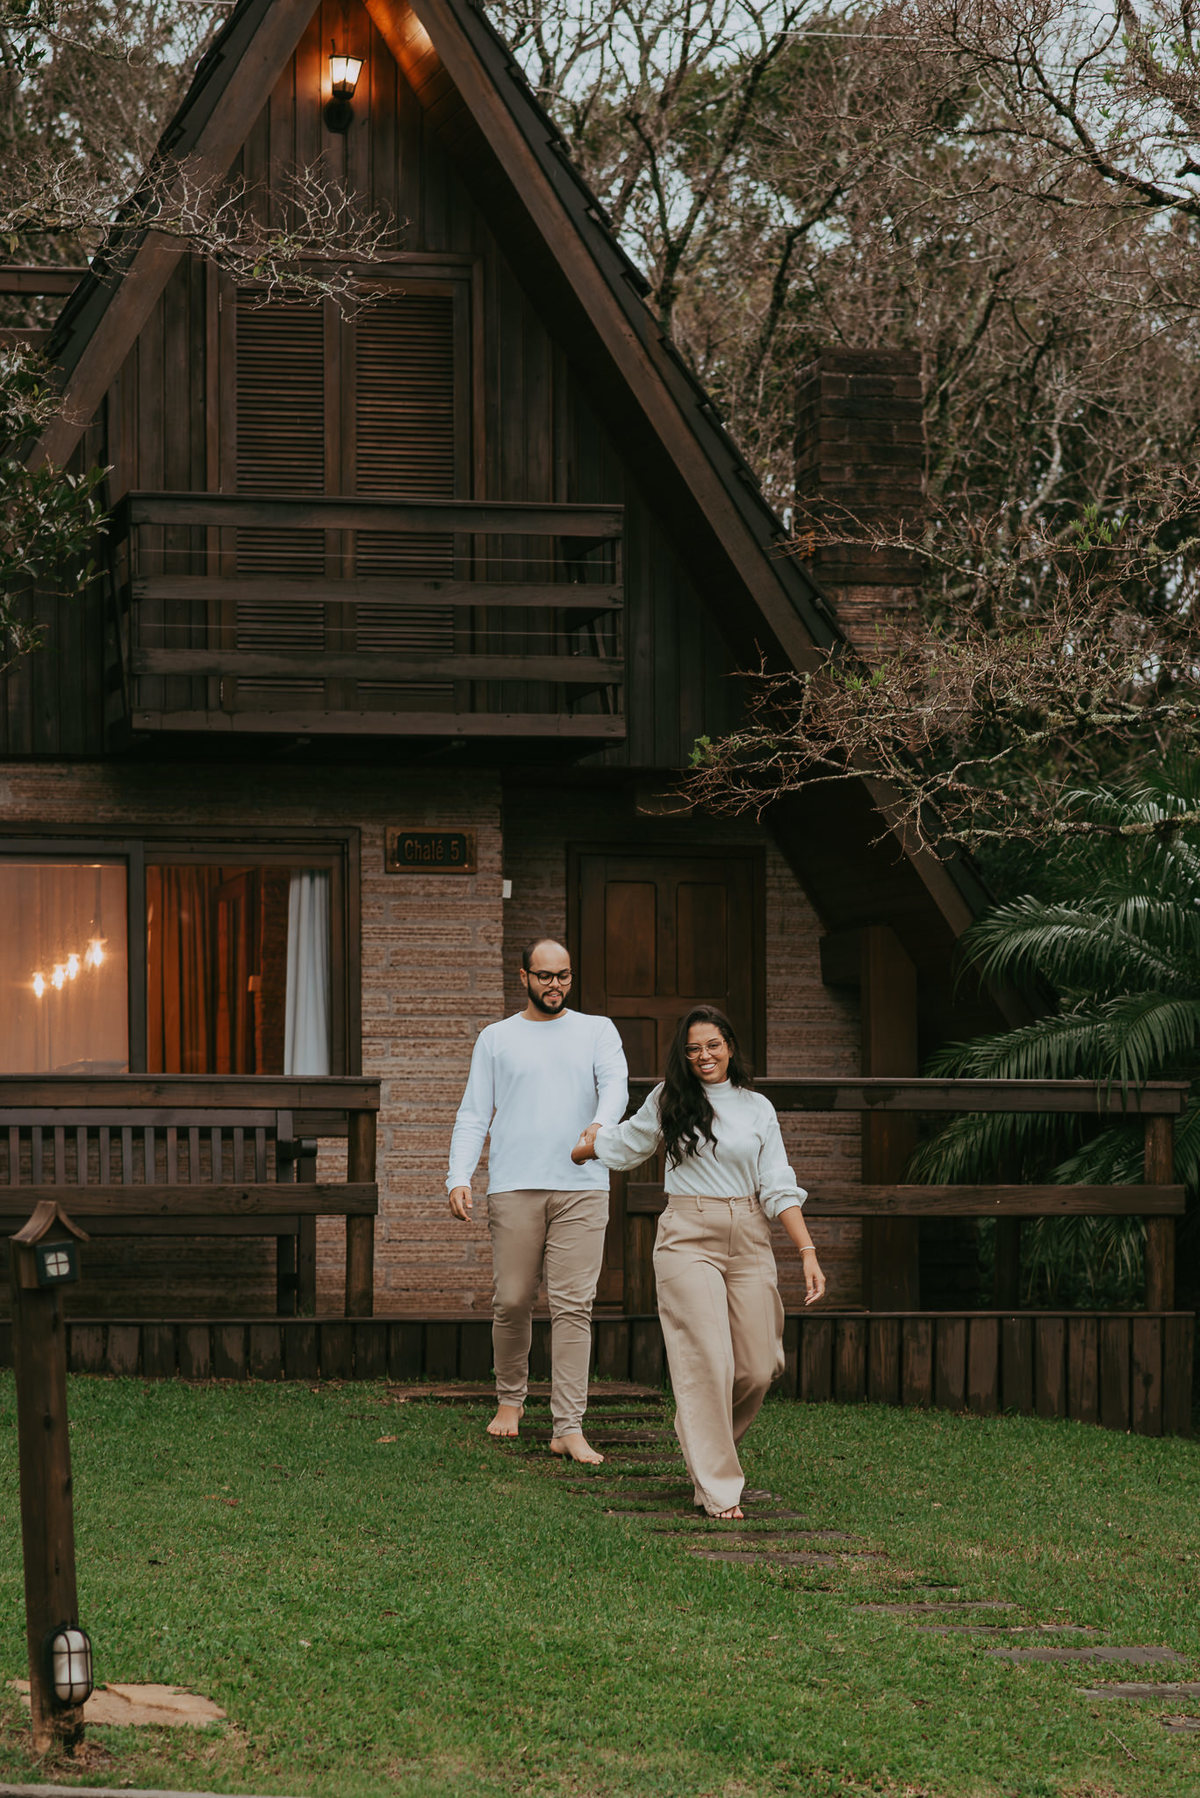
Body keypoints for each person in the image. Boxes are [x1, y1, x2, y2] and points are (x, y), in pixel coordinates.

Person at [572, 1004, 824, 1517]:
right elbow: (632, 1141)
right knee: (709, 1360)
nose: (703, 1056)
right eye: (692, 1049)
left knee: (759, 1366)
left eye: (712, 1045)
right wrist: (590, 1148)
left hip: (749, 1234)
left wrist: (807, 1251)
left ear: (729, 1045)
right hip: (687, 1237)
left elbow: (778, 1184)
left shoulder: (758, 1108)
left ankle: (697, 1429)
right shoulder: (670, 1099)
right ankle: (718, 1488)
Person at [447, 936, 628, 1465]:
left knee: (574, 1307)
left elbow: (615, 1085)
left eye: (564, 975)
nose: (555, 985)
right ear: (523, 976)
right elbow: (474, 1113)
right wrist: (459, 1174)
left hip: (583, 1186)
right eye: (545, 975)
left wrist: (599, 1126)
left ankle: (568, 1426)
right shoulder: (496, 1038)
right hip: (514, 1186)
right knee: (512, 1300)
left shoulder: (597, 1030)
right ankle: (511, 1401)